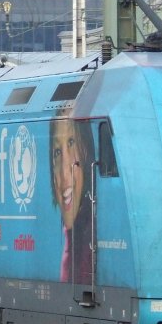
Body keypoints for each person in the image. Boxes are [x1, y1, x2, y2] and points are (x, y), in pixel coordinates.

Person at [49, 109, 94, 284]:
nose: (64, 175)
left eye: (72, 142)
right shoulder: (72, 244)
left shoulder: (87, 248)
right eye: (57, 153)